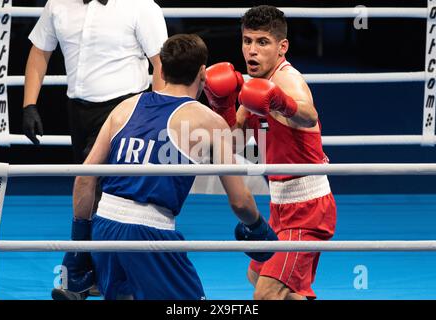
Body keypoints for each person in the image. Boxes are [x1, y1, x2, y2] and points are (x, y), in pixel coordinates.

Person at [63, 33, 278, 300]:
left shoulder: (124, 107)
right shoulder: (208, 121)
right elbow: (240, 201)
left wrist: (78, 247)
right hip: (149, 233)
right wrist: (258, 227)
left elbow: (85, 178)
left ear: (161, 69)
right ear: (203, 73)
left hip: (104, 226)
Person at [21, 0, 168, 300]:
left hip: (126, 107)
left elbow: (161, 63)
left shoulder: (140, 5)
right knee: (94, 194)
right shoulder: (58, 4)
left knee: (95, 188)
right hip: (78, 110)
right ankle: (99, 275)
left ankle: (77, 270)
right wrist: (29, 103)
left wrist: (155, 116)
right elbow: (40, 51)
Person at [203, 5, 337, 300]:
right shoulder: (252, 87)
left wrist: (280, 102)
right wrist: (221, 107)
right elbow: (233, 144)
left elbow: (308, 114)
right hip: (280, 204)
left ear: (281, 47)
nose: (252, 50)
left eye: (262, 42)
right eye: (247, 41)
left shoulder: (286, 80)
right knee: (257, 275)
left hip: (307, 207)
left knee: (265, 294)